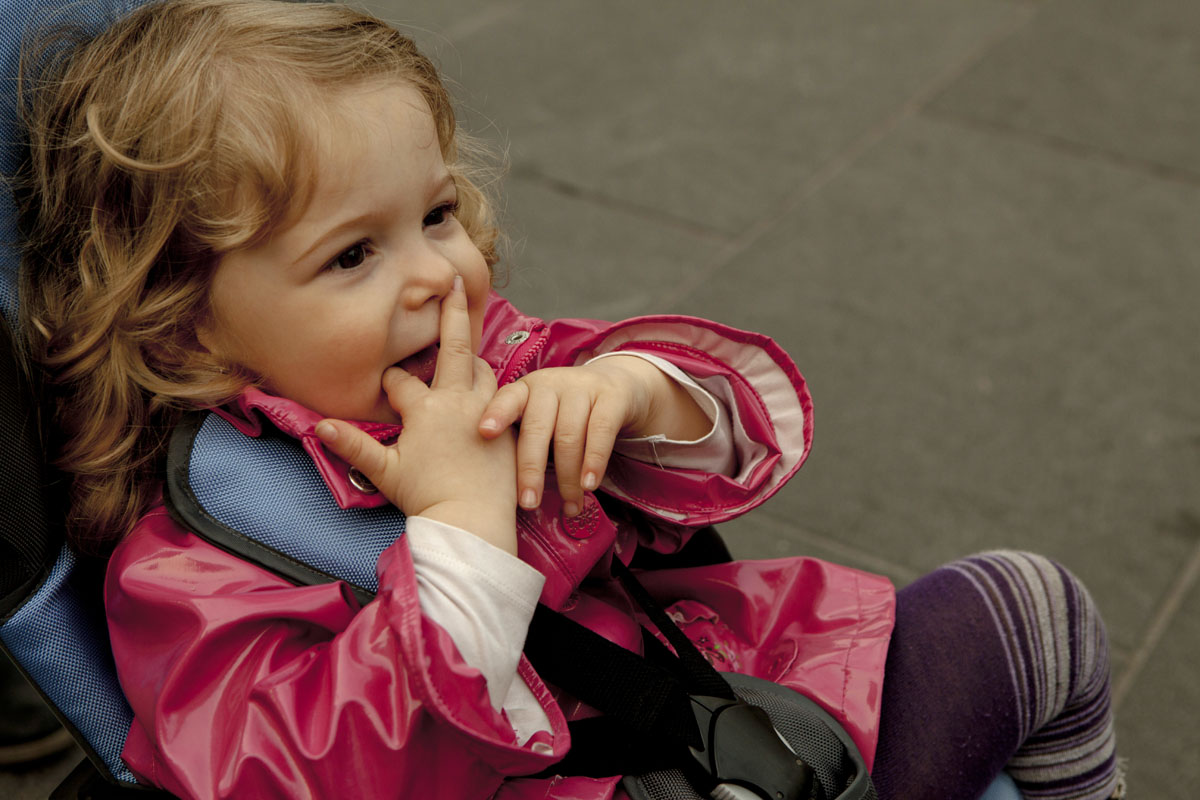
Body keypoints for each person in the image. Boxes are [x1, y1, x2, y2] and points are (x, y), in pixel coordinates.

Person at [14, 1, 1124, 798]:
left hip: (721, 697)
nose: (436, 273)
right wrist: (459, 536)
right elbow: (285, 771)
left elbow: (732, 429)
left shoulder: (495, 361)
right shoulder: (193, 563)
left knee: (1036, 609)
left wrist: (633, 393)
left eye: (436, 215)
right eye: (353, 254)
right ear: (186, 323)